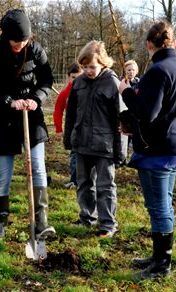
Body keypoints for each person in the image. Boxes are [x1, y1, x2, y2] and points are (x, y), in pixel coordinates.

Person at [0, 9, 55, 239]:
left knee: (37, 167)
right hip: (2, 118)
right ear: (5, 36)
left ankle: (42, 222)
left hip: (31, 116)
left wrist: (36, 99)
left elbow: (47, 79)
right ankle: (1, 223)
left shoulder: (36, 50)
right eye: (16, 41)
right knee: (3, 174)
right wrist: (8, 102)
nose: (20, 44)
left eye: (24, 40)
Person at [118, 21, 176, 279]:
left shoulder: (158, 71)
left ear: (149, 44)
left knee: (159, 207)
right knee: (164, 205)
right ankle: (159, 256)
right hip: (173, 145)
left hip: (159, 152)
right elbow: (168, 111)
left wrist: (126, 91)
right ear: (174, 43)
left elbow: (147, 113)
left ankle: (162, 265)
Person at [64, 40, 125, 238]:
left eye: (92, 67)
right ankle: (87, 217)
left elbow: (122, 120)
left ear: (103, 63)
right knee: (83, 183)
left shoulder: (112, 83)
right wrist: (69, 138)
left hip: (104, 145)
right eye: (85, 67)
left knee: (105, 186)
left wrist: (121, 150)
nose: (88, 71)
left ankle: (107, 224)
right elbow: (71, 114)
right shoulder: (78, 83)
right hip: (81, 142)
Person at [53, 63, 83, 189]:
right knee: (74, 155)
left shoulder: (87, 89)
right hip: (72, 129)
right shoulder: (65, 93)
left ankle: (84, 180)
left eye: (79, 76)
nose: (76, 80)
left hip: (87, 128)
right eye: (73, 77)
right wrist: (59, 129)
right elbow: (58, 111)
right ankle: (74, 180)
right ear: (68, 77)